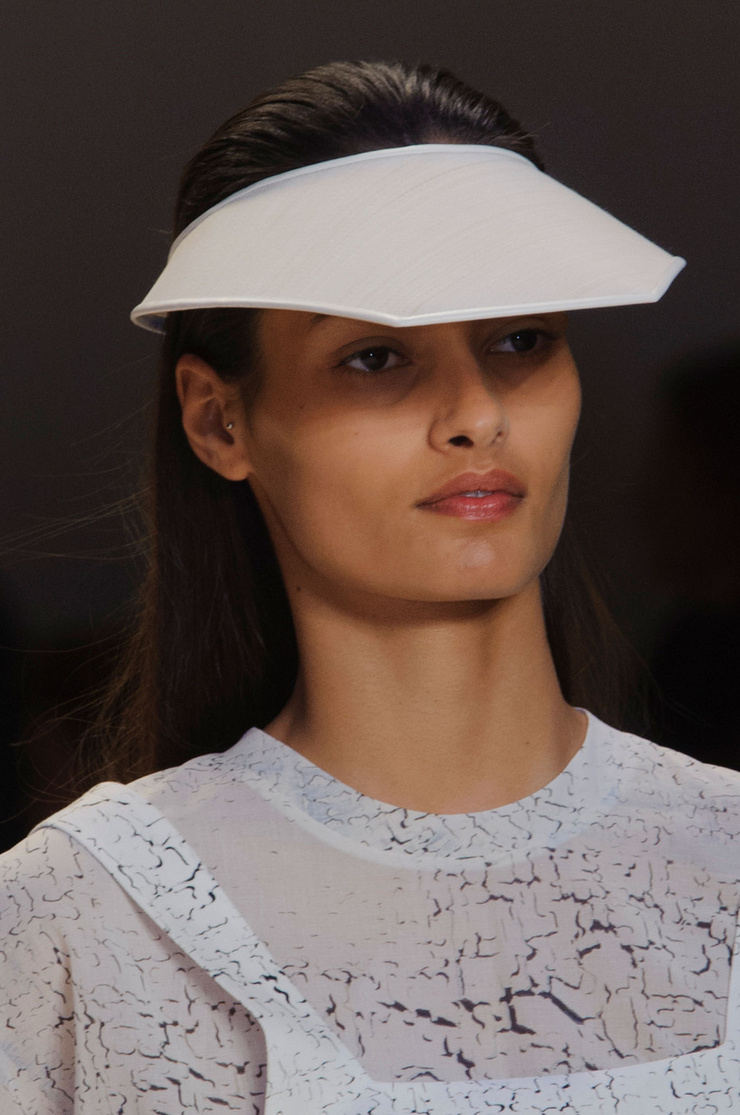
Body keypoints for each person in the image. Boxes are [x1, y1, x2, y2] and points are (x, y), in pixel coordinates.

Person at [1, 59, 737, 1115]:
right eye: (377, 358)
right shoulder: (79, 918)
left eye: (520, 339)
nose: (476, 414)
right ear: (218, 420)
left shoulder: (725, 855)